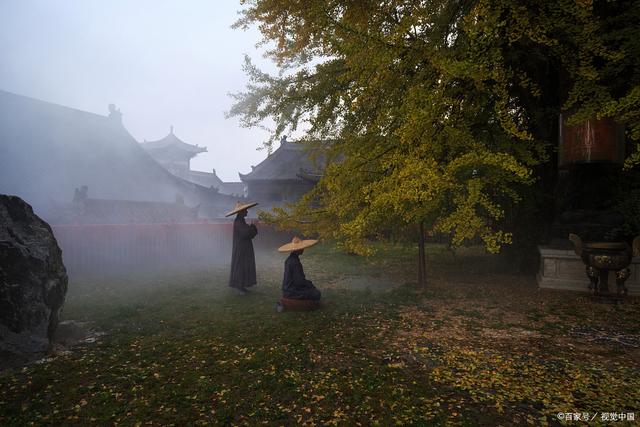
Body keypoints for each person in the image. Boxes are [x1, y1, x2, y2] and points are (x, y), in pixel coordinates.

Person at [226, 201, 259, 294]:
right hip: (240, 249)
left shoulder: (241, 221)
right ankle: (238, 286)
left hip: (244, 248)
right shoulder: (238, 222)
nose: (247, 211)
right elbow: (246, 234)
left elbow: (248, 233)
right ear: (241, 212)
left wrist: (252, 226)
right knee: (240, 266)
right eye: (245, 210)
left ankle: (242, 285)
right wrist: (253, 226)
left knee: (244, 266)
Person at [278, 236, 321, 301]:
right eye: (301, 248)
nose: (303, 249)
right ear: (298, 249)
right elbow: (299, 281)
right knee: (316, 294)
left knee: (311, 289)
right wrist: (309, 284)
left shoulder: (289, 260)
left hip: (288, 289)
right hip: (292, 291)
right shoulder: (294, 262)